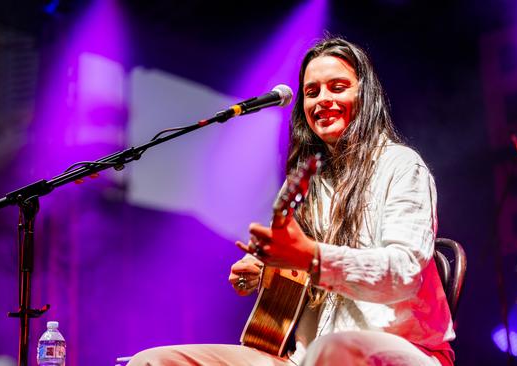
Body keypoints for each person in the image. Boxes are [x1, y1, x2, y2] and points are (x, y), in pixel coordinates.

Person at [128, 35, 455, 366]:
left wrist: (312, 257)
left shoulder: (400, 164)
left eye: (337, 87)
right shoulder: (306, 186)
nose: (322, 99)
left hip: (403, 350)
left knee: (333, 349)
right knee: (152, 361)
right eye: (312, 92)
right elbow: (294, 274)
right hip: (304, 357)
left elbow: (405, 274)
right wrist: (266, 273)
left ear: (366, 96)